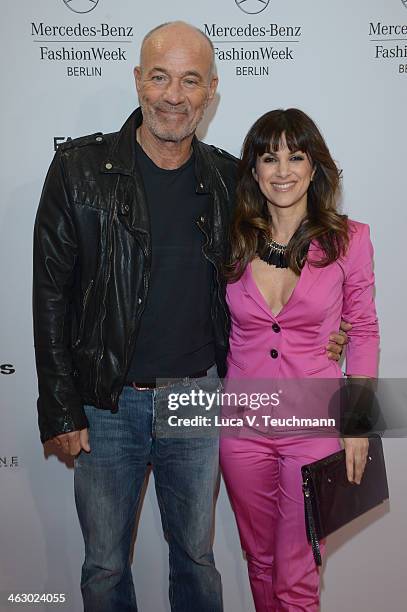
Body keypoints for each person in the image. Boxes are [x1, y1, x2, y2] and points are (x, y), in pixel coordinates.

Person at [32, 21, 347, 612]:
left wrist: (335, 326)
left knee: (196, 557)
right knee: (104, 564)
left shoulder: (229, 179)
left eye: (190, 81)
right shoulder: (78, 171)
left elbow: (288, 258)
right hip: (105, 401)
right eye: (159, 77)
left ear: (210, 93)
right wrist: (59, 405)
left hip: (198, 396)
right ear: (137, 81)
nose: (173, 95)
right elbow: (50, 295)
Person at [219, 108, 379, 612]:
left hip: (314, 425)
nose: (283, 169)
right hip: (241, 427)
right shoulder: (233, 239)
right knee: (259, 562)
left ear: (315, 168)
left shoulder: (349, 240)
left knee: (299, 572)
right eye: (270, 157)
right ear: (254, 170)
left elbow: (365, 329)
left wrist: (356, 423)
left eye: (296, 156)